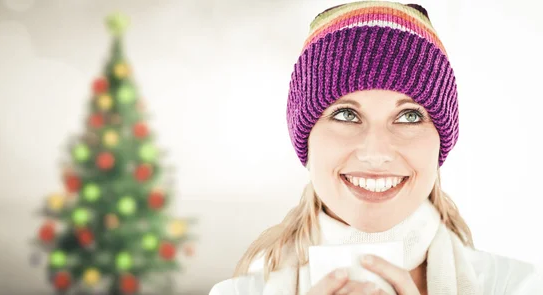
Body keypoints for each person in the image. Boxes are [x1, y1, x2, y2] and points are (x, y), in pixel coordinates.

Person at [209, 1, 543, 294]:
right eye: (345, 114)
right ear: (306, 138)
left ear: (441, 139)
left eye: (410, 116)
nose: (376, 152)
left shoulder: (517, 286)